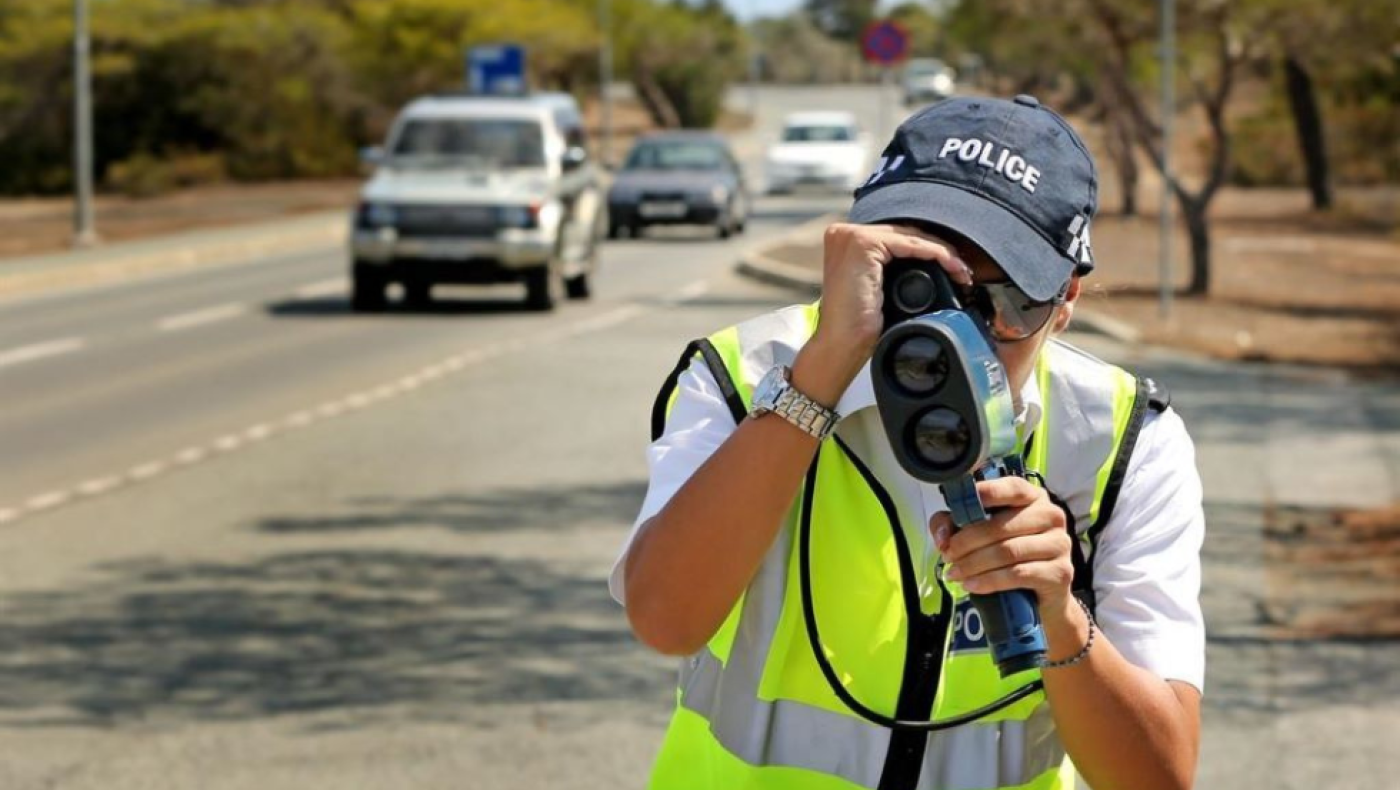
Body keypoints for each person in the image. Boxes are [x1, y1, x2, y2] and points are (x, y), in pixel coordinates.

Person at [611, 95, 1204, 790]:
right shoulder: (745, 376)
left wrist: (1064, 620)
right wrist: (817, 379)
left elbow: (1159, 777)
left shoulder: (1120, 436)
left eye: (1005, 301)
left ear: (1067, 298)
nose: (959, 334)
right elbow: (665, 618)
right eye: (917, 285)